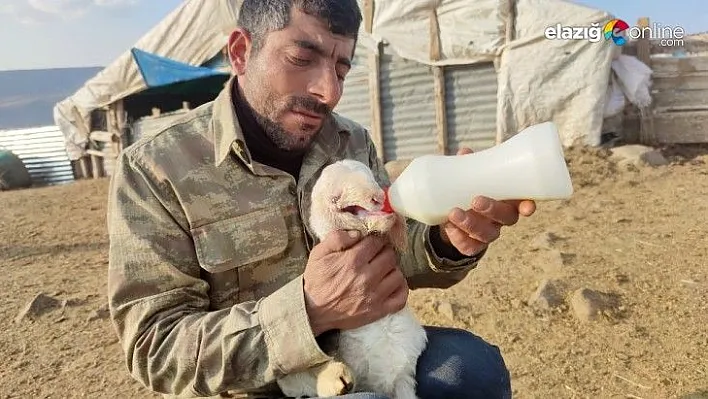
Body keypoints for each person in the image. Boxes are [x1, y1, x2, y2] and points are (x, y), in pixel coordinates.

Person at [106, 1, 536, 398]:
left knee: (473, 371)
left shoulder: (351, 142)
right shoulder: (156, 168)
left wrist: (447, 240)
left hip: (361, 349)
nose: (328, 92)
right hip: (253, 387)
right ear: (240, 52)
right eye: (301, 58)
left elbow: (388, 260)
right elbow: (155, 347)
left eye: (343, 70)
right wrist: (309, 312)